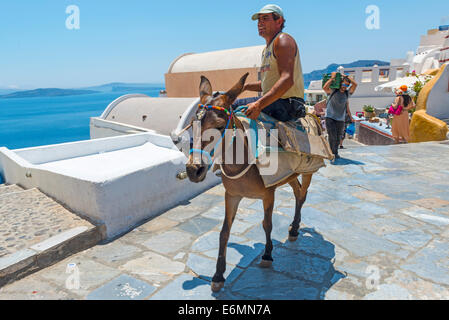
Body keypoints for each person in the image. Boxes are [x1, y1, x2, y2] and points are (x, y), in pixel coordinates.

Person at [232, 4, 306, 122]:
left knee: (230, 107)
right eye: (259, 19)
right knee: (227, 104)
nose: (260, 23)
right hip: (277, 102)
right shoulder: (266, 49)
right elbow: (268, 84)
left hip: (288, 104)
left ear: (279, 21)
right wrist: (245, 87)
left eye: (265, 18)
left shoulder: (282, 40)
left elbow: (287, 80)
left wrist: (259, 104)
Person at [322, 72, 357, 160]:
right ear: (341, 83)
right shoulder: (333, 91)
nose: (345, 86)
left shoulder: (347, 93)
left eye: (347, 85)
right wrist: (332, 79)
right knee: (332, 136)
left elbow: (355, 84)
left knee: (338, 137)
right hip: (330, 117)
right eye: (344, 83)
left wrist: (347, 77)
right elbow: (325, 88)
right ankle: (332, 153)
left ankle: (334, 152)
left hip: (340, 119)